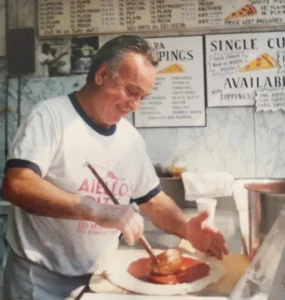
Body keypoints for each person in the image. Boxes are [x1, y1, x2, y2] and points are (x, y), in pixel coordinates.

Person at [2, 35, 228, 300]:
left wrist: (187, 228)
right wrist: (95, 209)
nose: (134, 105)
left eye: (142, 97)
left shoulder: (129, 139)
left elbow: (153, 200)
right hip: (40, 280)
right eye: (131, 91)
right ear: (102, 74)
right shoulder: (51, 116)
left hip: (101, 278)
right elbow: (17, 184)